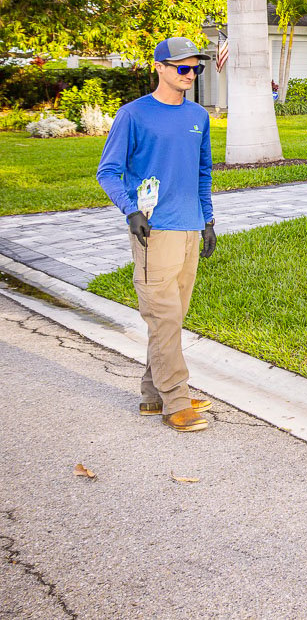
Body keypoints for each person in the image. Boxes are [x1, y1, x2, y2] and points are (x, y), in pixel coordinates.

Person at [96, 37, 219, 432]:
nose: (190, 75)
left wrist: (209, 221)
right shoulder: (133, 115)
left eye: (195, 69)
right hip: (154, 231)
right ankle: (176, 401)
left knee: (172, 317)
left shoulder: (198, 115)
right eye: (182, 68)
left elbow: (203, 173)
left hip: (189, 227)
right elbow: (108, 171)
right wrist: (130, 210)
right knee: (163, 316)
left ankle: (153, 395)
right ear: (161, 68)